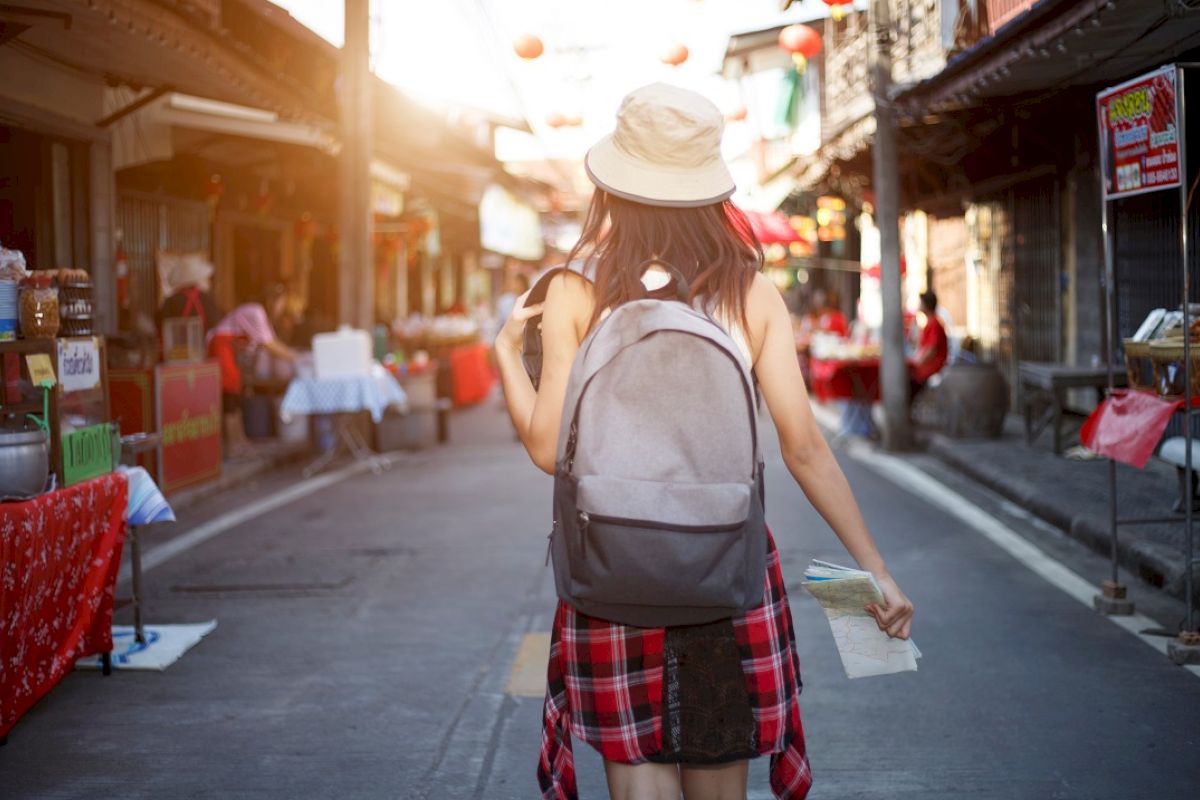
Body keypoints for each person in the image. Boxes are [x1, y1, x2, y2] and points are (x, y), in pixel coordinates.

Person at [494, 83, 913, 800]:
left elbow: (546, 452)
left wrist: (507, 353)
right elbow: (804, 446)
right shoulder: (749, 291)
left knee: (638, 786)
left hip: (612, 574)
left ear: (612, 183)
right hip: (726, 573)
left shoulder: (574, 289)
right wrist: (875, 571)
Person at [207, 284, 297, 456]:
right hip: (221, 345)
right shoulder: (256, 311)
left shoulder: (260, 314)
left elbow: (273, 341)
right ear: (272, 301)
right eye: (281, 303)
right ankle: (233, 445)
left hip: (230, 350)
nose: (281, 308)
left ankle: (240, 441)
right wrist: (296, 358)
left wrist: (293, 354)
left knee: (236, 391)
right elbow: (269, 345)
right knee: (230, 393)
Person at [155, 254, 220, 338]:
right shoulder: (207, 298)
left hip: (178, 348)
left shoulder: (171, 300)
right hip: (204, 347)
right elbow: (216, 322)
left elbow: (160, 323)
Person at [909, 290, 949, 396]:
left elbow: (931, 350)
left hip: (932, 367)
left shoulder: (934, 324)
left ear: (926, 305)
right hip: (929, 365)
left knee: (908, 379)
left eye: (921, 303)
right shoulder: (930, 322)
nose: (919, 305)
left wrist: (916, 363)